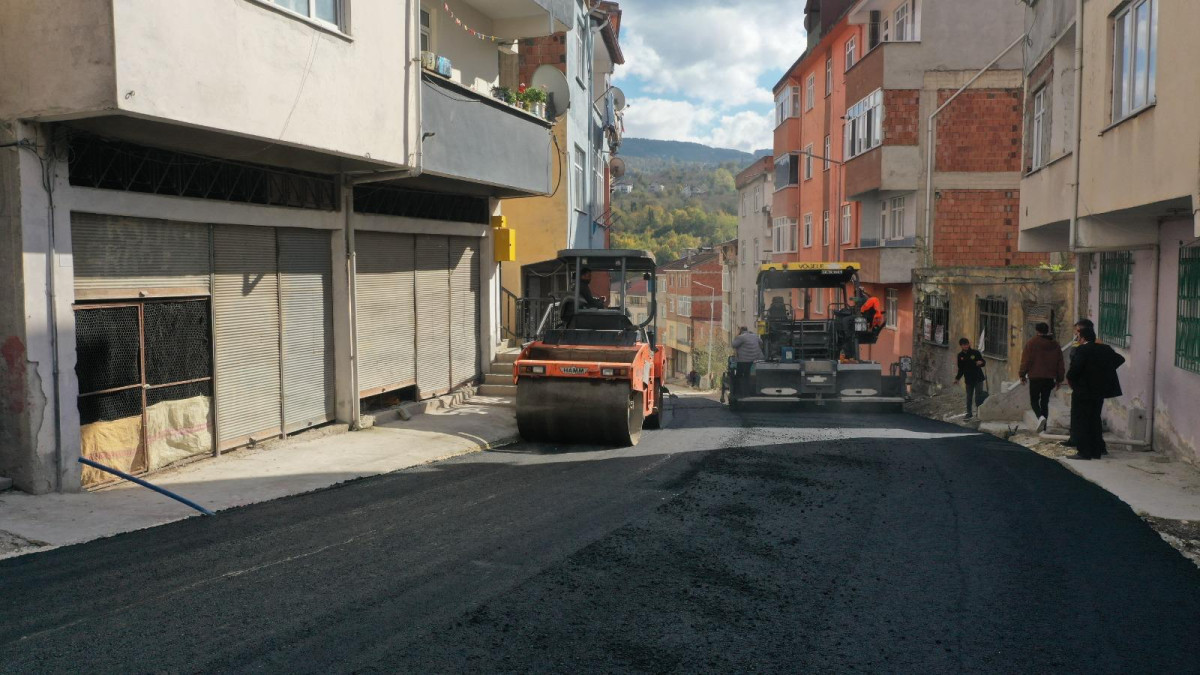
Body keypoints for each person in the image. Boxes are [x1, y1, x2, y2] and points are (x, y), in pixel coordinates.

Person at [1066, 325, 1125, 460]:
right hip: (1099, 391)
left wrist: (1072, 379)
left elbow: (1075, 370)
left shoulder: (1083, 350)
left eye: (1078, 336)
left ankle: (1084, 452)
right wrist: (1104, 371)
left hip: (1083, 390)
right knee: (1094, 419)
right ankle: (1096, 451)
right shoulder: (1105, 349)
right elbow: (1120, 359)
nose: (1077, 339)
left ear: (1083, 337)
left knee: (1082, 420)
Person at [1019, 322, 1065, 432]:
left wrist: (1022, 374)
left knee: (1034, 401)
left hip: (1035, 377)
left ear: (1037, 330)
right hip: (1049, 378)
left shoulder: (1031, 343)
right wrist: (1059, 379)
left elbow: (1026, 361)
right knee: (1044, 402)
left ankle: (1040, 417)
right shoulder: (1055, 344)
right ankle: (1043, 427)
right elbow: (1060, 363)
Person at [1062, 318, 1096, 448]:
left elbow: (1078, 362)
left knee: (1086, 415)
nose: (1076, 333)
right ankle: (1074, 438)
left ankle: (1085, 444)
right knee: (1075, 413)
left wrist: (1070, 376)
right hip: (1078, 382)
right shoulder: (1078, 343)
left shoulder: (1089, 345)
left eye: (1078, 331)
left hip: (1085, 384)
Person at [953, 337, 987, 420]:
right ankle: (969, 413)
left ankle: (979, 413)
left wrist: (981, 362)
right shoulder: (960, 356)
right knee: (969, 397)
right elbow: (961, 369)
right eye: (964, 345)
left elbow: (983, 362)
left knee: (978, 396)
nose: (966, 346)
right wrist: (957, 378)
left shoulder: (975, 352)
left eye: (967, 344)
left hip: (978, 378)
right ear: (961, 346)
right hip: (968, 379)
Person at [731, 326, 764, 399]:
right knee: (747, 375)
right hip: (754, 359)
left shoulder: (741, 337)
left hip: (743, 360)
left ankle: (738, 392)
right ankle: (748, 393)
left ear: (741, 330)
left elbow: (733, 345)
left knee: (739, 376)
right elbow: (761, 342)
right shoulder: (754, 336)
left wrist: (737, 336)